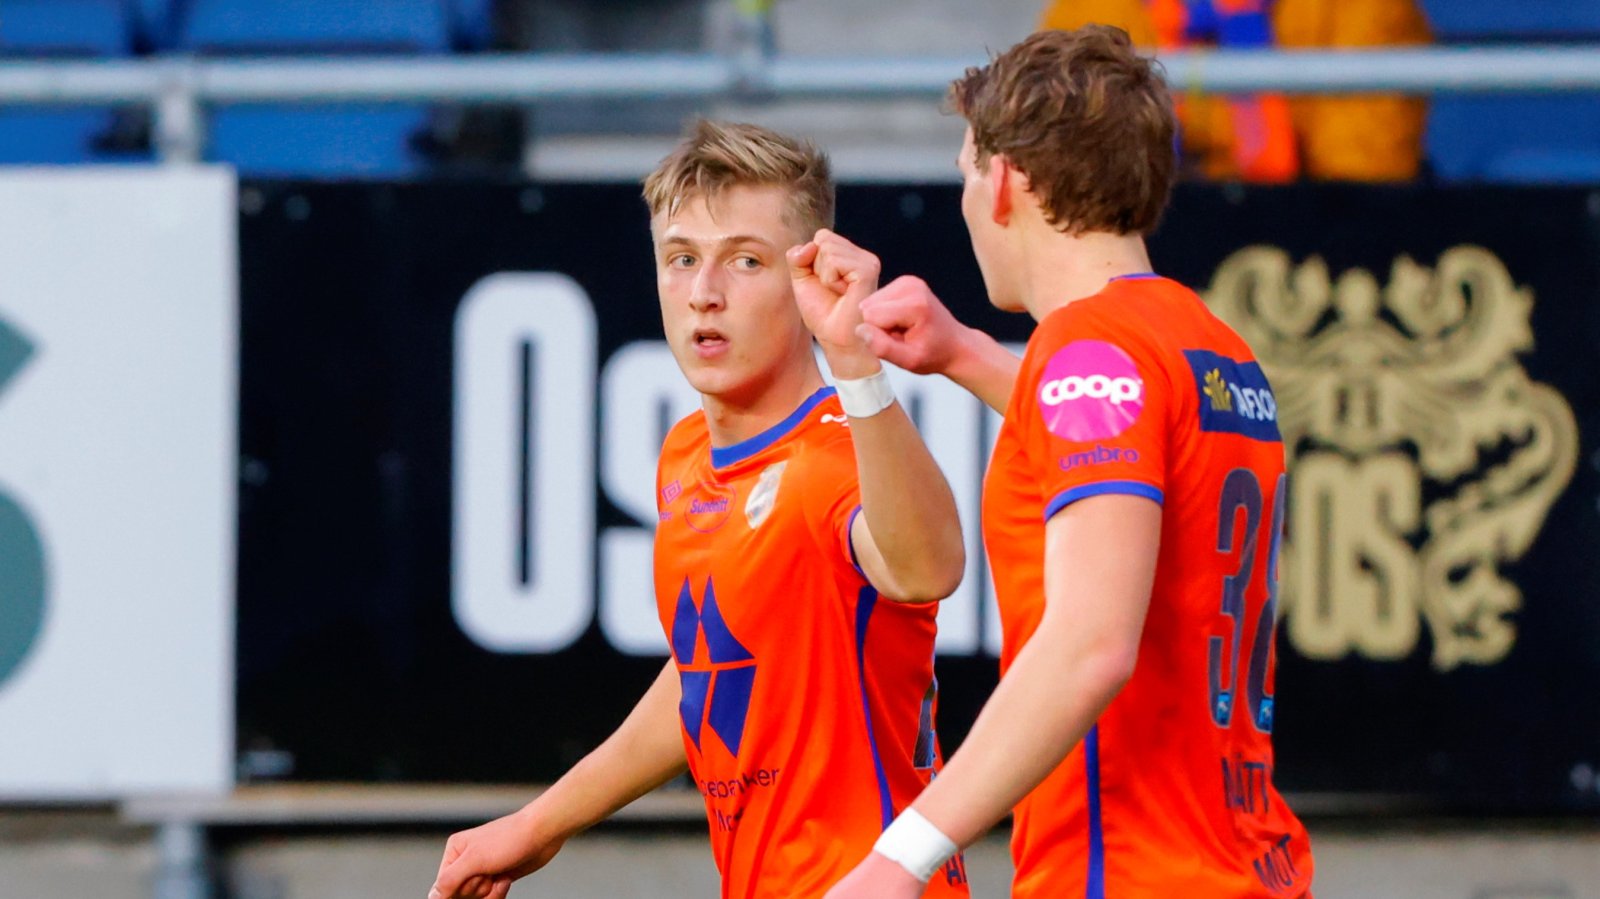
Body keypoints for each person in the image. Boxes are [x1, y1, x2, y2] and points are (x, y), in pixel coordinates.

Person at [826, 26, 1315, 898]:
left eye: (967, 173)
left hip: (1128, 872)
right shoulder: (1213, 348)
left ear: (1005, 182)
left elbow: (1092, 643)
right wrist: (965, 352)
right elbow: (1124, 442)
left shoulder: (1089, 350)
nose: (967, 201)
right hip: (1247, 863)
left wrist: (900, 856)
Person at [428, 120, 971, 899]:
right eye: (681, 258)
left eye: (745, 260)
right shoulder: (687, 452)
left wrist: (859, 368)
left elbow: (926, 568)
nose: (704, 292)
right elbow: (710, 671)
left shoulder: (835, 458)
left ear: (809, 275)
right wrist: (538, 824)